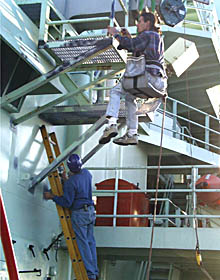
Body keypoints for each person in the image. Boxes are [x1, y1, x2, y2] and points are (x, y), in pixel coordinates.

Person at [99, 11, 167, 146]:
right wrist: (128, 37)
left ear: (147, 23)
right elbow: (138, 48)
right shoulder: (156, 37)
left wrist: (115, 34)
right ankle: (132, 133)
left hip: (147, 77)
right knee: (130, 98)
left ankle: (111, 124)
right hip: (158, 82)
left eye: (140, 22)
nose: (137, 25)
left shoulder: (148, 34)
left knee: (115, 91)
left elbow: (132, 46)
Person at [44, 154, 99, 280]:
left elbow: (67, 202)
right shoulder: (87, 173)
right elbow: (79, 181)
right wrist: (67, 179)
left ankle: (89, 274)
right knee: (90, 242)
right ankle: (93, 272)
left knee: (83, 244)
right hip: (90, 212)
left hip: (79, 214)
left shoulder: (71, 183)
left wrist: (52, 197)